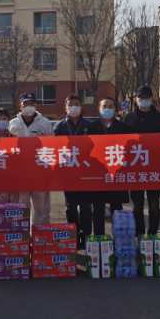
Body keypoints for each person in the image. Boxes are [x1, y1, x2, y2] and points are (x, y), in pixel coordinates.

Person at [123, 85, 160, 235]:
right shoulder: (129, 118)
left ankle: (152, 233)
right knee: (137, 206)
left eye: (146, 98)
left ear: (151, 99)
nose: (143, 100)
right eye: (141, 98)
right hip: (135, 168)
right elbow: (123, 142)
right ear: (136, 100)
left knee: (154, 205)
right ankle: (139, 233)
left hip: (154, 168)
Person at [54, 94, 95, 245]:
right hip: (68, 173)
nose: (74, 107)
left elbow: (96, 147)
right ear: (65, 107)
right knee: (71, 207)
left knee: (86, 206)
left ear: (81, 107)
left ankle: (86, 235)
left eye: (76, 104)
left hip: (86, 172)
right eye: (70, 105)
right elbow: (55, 149)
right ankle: (74, 235)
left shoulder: (90, 126)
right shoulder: (59, 127)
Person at [9, 93, 54, 224]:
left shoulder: (45, 123)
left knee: (41, 208)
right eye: (25, 104)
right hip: (20, 172)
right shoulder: (13, 124)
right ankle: (22, 234)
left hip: (40, 172)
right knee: (21, 207)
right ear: (20, 105)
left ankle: (40, 234)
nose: (28, 106)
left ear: (35, 105)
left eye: (31, 103)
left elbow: (52, 146)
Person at [89, 97, 130, 237]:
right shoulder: (91, 128)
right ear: (99, 109)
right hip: (98, 175)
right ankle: (99, 239)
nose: (107, 109)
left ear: (115, 109)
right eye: (104, 106)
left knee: (117, 209)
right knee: (98, 209)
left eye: (110, 106)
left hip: (116, 175)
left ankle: (118, 239)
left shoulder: (124, 128)